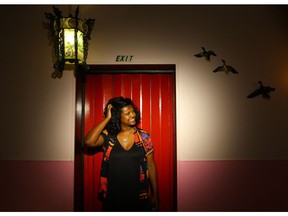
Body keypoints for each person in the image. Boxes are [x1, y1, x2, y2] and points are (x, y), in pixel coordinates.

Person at [85, 96, 159, 211]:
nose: (133, 115)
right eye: (127, 113)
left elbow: (152, 166)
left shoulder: (143, 136)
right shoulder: (109, 137)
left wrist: (155, 194)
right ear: (118, 116)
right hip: (113, 197)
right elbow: (89, 141)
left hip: (139, 197)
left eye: (132, 111)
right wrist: (107, 118)